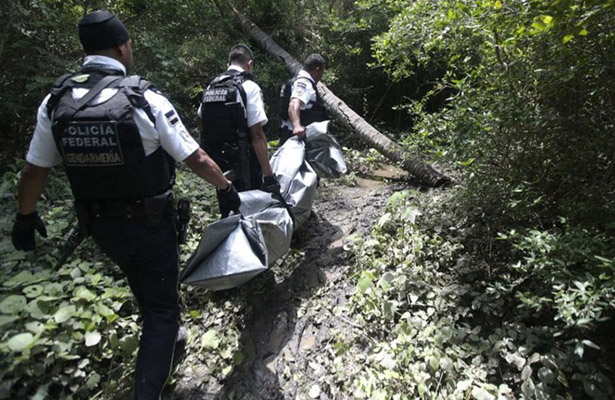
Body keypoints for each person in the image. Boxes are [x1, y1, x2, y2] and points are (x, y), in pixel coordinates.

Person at [10, 10, 240, 400]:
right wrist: (225, 188)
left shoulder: (56, 101)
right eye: (129, 45)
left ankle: (165, 337)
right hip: (149, 226)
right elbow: (195, 158)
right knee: (163, 313)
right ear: (122, 47)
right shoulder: (141, 97)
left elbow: (35, 170)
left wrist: (25, 217)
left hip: (101, 228)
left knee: (146, 288)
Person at [198, 44, 278, 213]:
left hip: (218, 166)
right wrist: (268, 175)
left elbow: (202, 120)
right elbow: (257, 135)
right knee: (252, 214)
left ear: (228, 63)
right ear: (249, 64)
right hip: (246, 164)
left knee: (228, 210)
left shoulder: (211, 87)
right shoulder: (249, 87)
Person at [279, 53, 329, 145]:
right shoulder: (304, 83)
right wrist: (297, 126)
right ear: (317, 70)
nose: (321, 76)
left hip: (294, 136)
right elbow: (293, 103)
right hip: (297, 138)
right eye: (322, 72)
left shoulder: (298, 80)